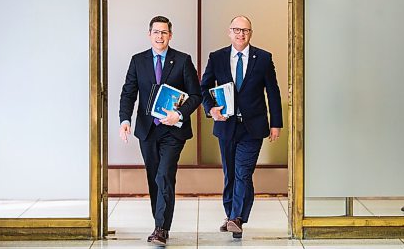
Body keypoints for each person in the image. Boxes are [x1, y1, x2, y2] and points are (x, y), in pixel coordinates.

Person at [119, 15, 201, 245]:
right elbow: (128, 93)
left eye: (164, 32)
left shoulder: (183, 61)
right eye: (156, 32)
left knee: (165, 174)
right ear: (149, 34)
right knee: (155, 178)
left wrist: (180, 114)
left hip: (173, 131)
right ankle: (160, 222)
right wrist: (125, 120)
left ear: (170, 35)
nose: (160, 36)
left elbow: (196, 95)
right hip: (147, 131)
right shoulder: (138, 61)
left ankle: (161, 229)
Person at [200, 15, 283, 238]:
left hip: (252, 127)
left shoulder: (263, 58)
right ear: (229, 32)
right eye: (236, 30)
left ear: (250, 33)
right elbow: (204, 87)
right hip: (226, 125)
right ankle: (230, 215)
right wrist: (211, 109)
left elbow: (273, 92)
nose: (240, 34)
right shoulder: (217, 58)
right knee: (230, 173)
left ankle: (237, 217)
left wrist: (276, 123)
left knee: (243, 172)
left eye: (245, 30)